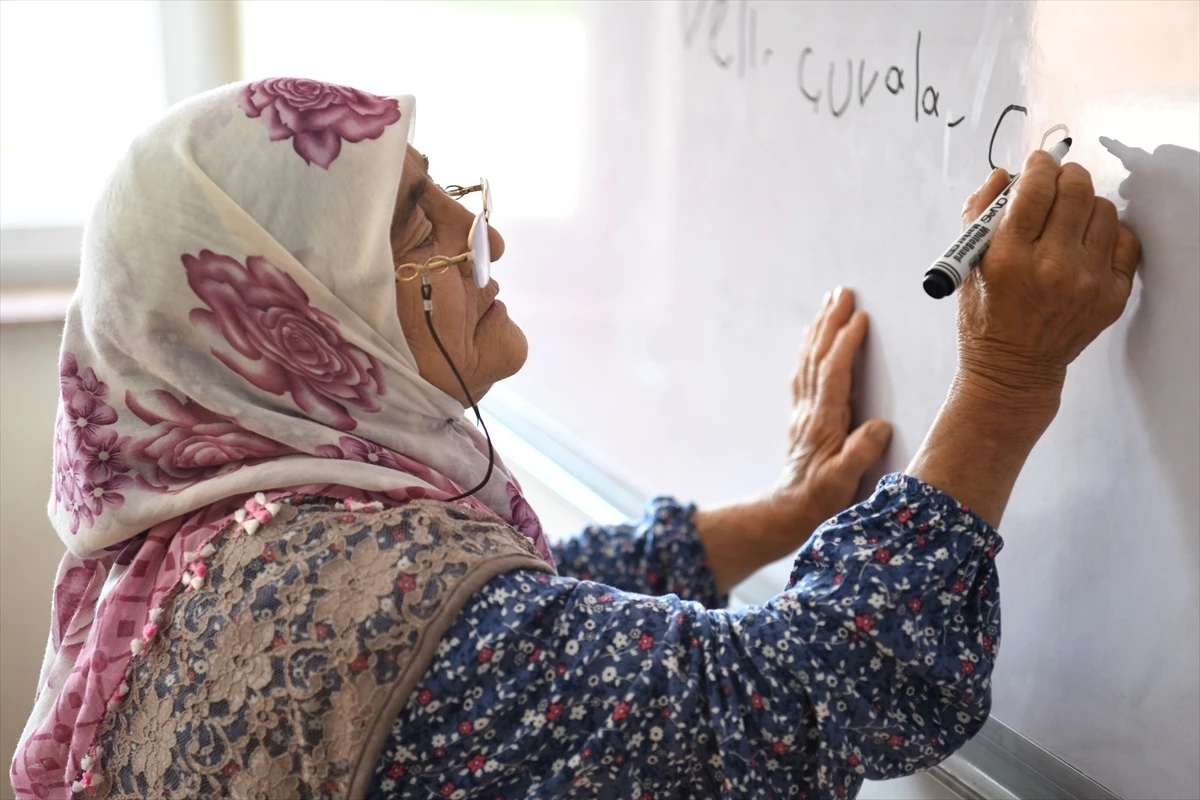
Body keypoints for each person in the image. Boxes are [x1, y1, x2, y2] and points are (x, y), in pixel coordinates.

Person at [9, 79, 1139, 800]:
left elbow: (508, 604)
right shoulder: (372, 620)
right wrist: (1003, 382)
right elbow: (827, 693)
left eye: (442, 189)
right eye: (412, 217)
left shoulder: (217, 534)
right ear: (293, 314)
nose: (481, 228)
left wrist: (783, 513)